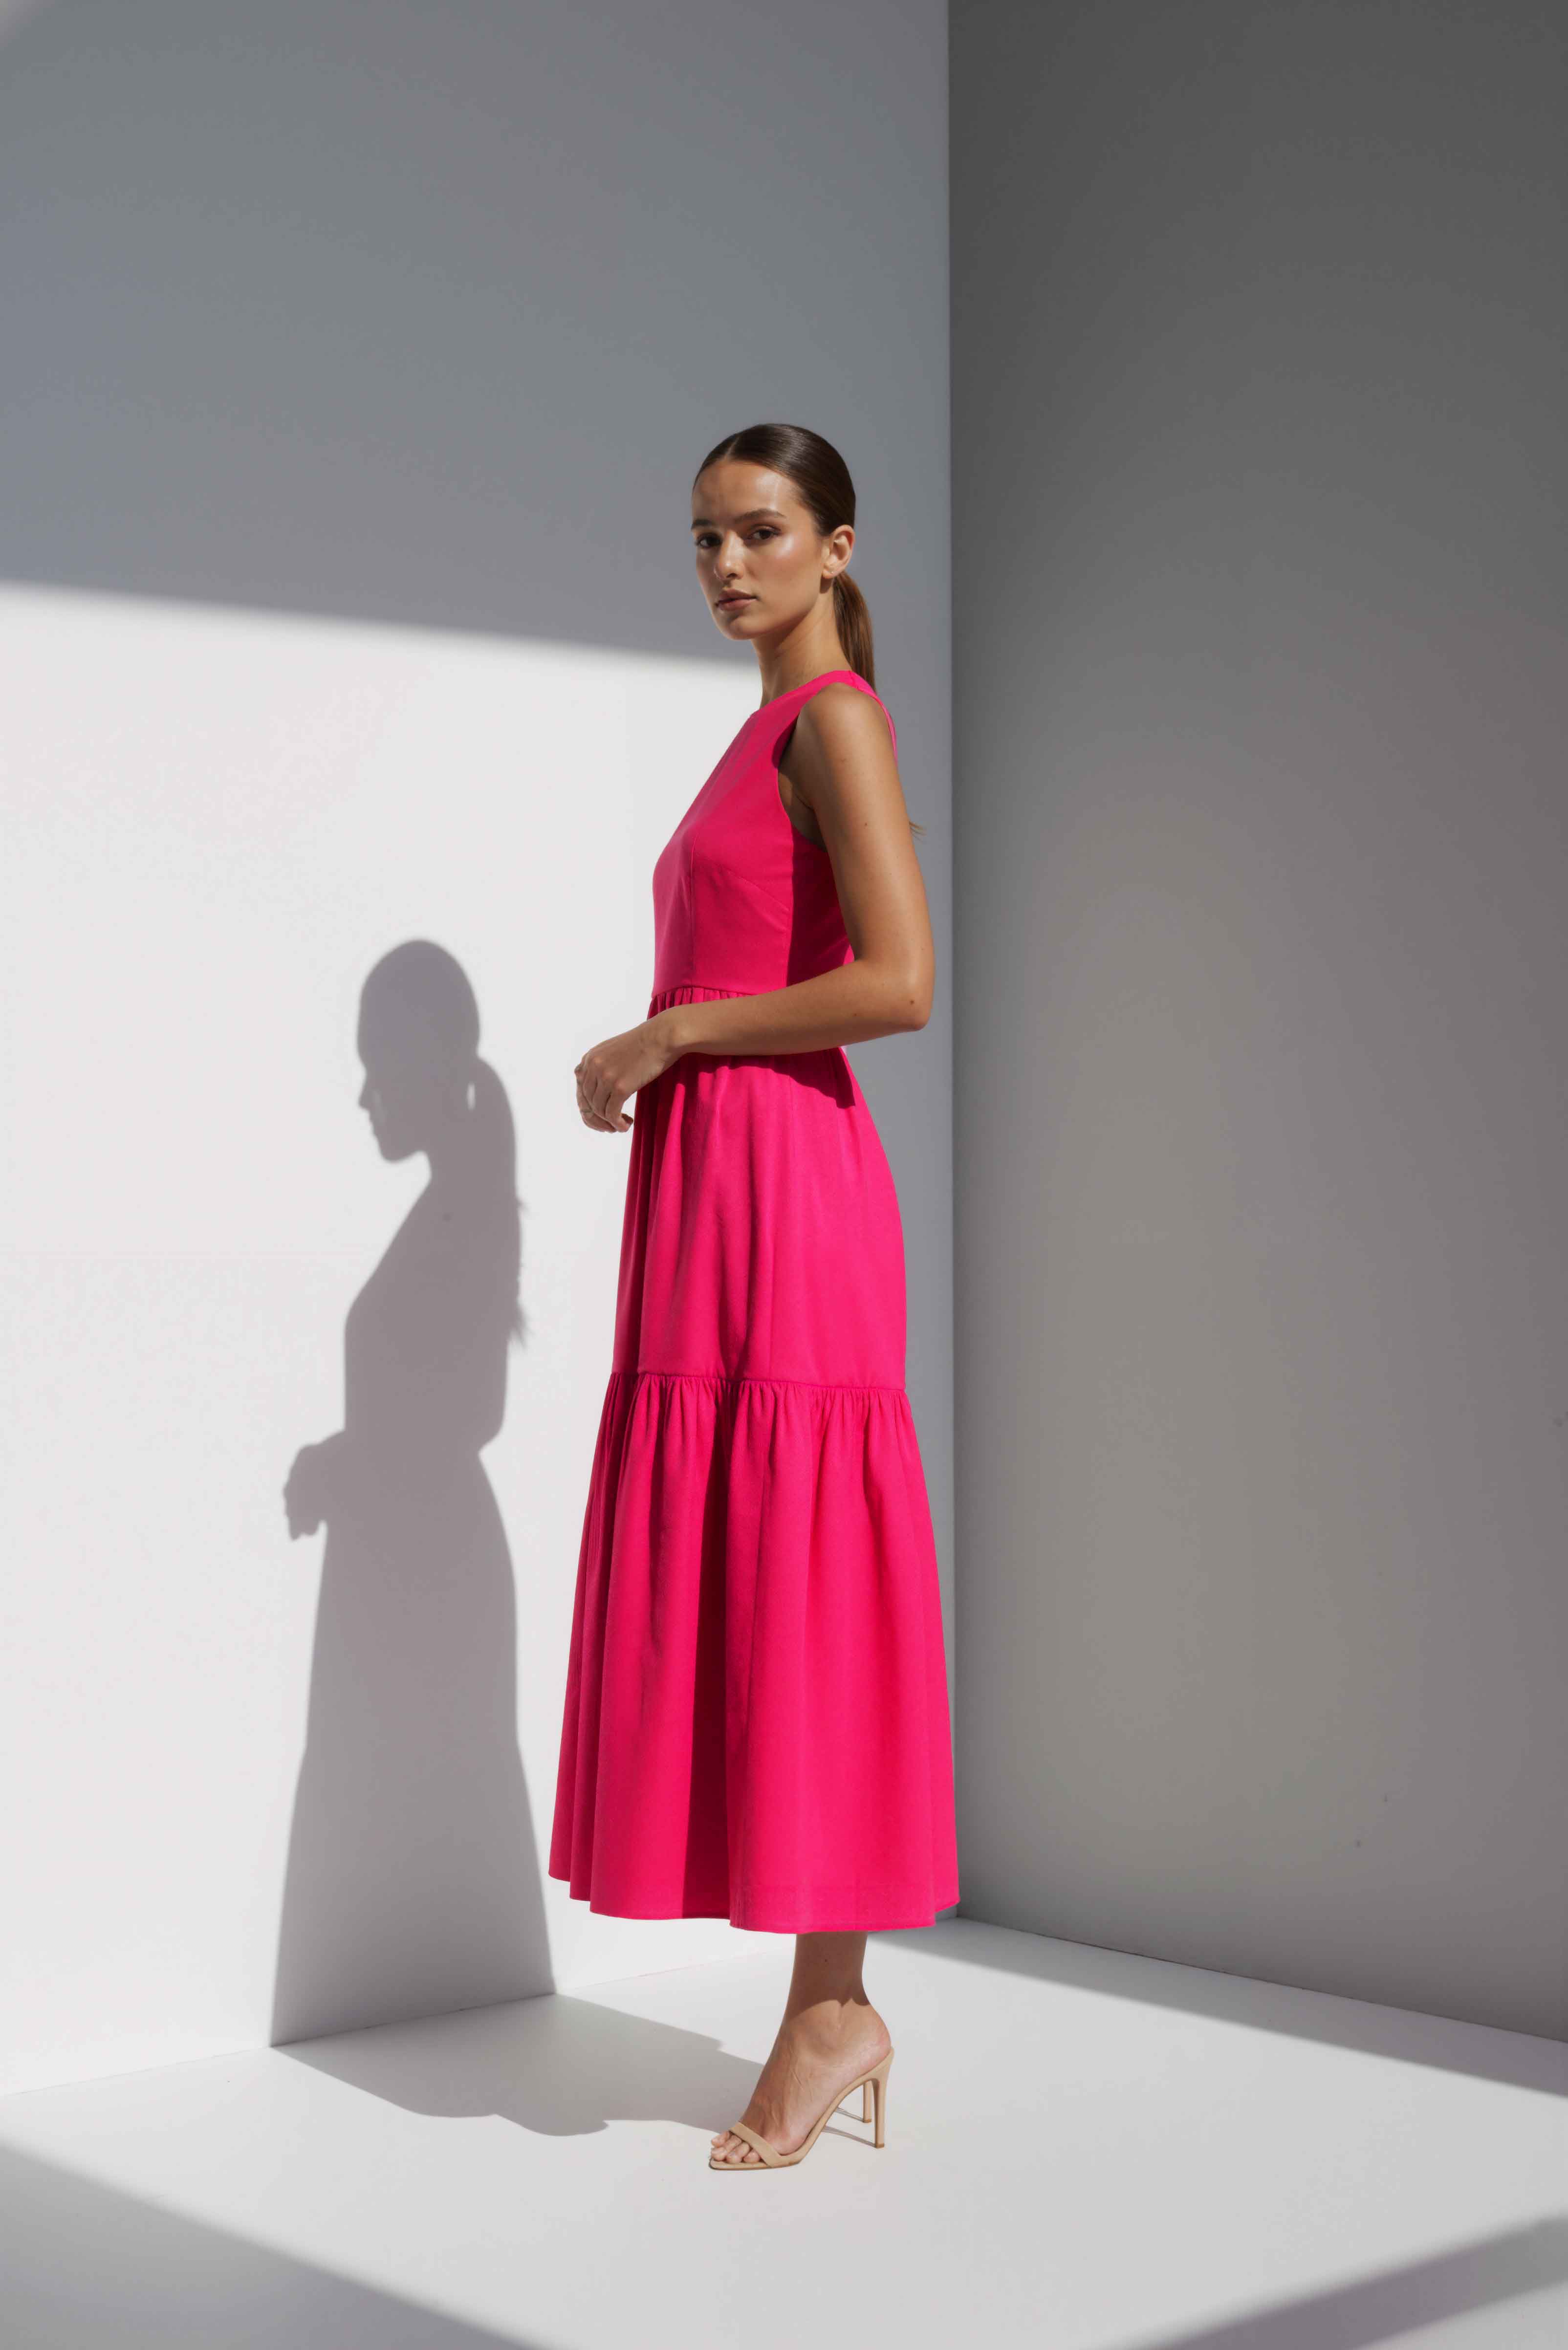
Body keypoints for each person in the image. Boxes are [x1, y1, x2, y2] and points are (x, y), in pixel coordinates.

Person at [548, 421, 958, 2170]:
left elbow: (903, 980)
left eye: (763, 533)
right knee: (745, 1565)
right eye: (706, 538)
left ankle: (829, 2012)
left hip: (786, 1189)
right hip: (712, 1197)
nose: (728, 565)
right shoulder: (760, 734)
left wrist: (674, 1029)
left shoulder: (835, 723)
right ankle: (828, 2011)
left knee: (804, 1575)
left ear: (839, 548)